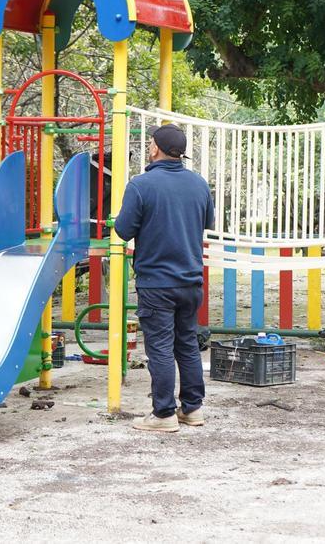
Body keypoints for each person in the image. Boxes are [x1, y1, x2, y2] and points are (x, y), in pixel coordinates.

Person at [114, 123, 214, 432]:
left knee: (159, 347)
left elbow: (123, 230)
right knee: (186, 344)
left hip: (157, 282)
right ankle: (193, 409)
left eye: (150, 143)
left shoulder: (140, 185)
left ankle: (163, 414)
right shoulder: (199, 184)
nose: (148, 147)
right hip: (190, 281)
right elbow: (206, 221)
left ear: (157, 148)